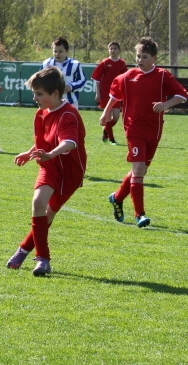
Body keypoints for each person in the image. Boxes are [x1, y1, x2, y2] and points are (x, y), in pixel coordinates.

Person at [5, 66, 87, 277]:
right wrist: (30, 152)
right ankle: (43, 259)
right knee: (38, 203)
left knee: (47, 216)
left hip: (70, 173)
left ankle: (23, 250)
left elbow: (69, 143)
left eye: (39, 94)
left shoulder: (68, 115)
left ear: (55, 94)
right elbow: (45, 141)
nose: (35, 98)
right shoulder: (40, 114)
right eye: (34, 93)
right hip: (49, 167)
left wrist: (52, 153)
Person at [101, 37, 187, 228]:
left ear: (154, 58)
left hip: (154, 130)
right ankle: (139, 214)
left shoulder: (163, 76)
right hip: (133, 129)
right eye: (138, 56)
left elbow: (182, 95)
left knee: (140, 171)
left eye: (144, 56)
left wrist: (166, 104)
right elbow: (114, 96)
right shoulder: (128, 76)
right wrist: (106, 114)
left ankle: (117, 197)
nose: (139, 60)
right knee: (138, 170)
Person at [91, 41, 128, 144]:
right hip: (106, 92)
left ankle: (105, 131)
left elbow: (125, 78)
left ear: (119, 50)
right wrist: (98, 93)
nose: (113, 50)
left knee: (115, 118)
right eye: (111, 48)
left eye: (115, 48)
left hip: (117, 93)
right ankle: (112, 139)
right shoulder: (105, 62)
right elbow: (96, 78)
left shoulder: (122, 64)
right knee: (107, 117)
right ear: (108, 50)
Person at [42, 37, 86, 109]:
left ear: (67, 51)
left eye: (60, 51)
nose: (57, 54)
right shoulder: (46, 63)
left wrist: (71, 86)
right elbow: (40, 80)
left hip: (70, 101)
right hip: (51, 101)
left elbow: (82, 80)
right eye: (55, 51)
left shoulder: (75, 64)